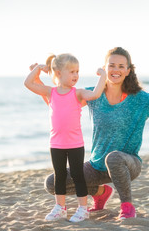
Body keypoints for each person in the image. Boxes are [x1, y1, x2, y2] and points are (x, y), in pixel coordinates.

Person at [43, 47, 149, 220]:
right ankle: (100, 192)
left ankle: (127, 206)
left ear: (128, 71)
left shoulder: (139, 98)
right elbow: (59, 102)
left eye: (121, 66)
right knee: (52, 183)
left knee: (113, 157)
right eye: (112, 65)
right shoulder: (94, 94)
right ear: (105, 69)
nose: (116, 70)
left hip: (128, 163)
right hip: (97, 166)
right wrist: (47, 75)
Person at [24, 53, 107, 222]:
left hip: (75, 144)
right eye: (72, 72)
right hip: (56, 144)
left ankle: (83, 209)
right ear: (58, 72)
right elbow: (28, 83)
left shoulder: (78, 93)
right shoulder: (50, 92)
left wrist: (103, 75)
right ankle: (60, 208)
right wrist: (38, 69)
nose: (76, 75)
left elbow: (96, 94)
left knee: (78, 176)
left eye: (77, 71)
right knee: (59, 176)